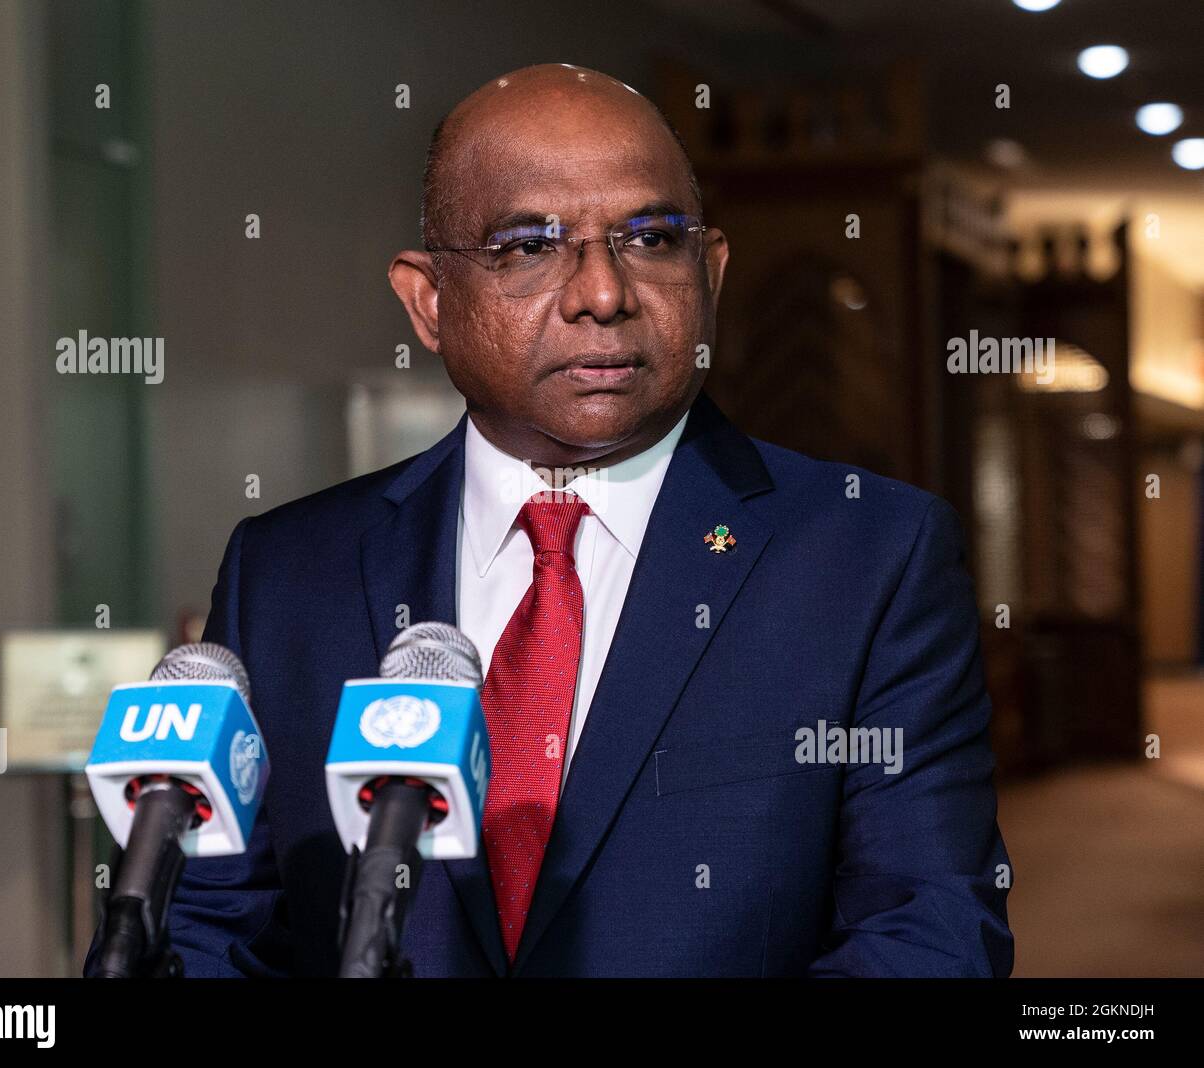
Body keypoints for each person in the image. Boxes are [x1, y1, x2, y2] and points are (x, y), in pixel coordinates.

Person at [90, 62, 1012, 977]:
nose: (602, 294)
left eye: (650, 238)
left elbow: (930, 936)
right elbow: (211, 928)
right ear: (428, 301)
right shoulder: (289, 570)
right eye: (529, 246)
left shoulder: (868, 556)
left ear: (712, 272)